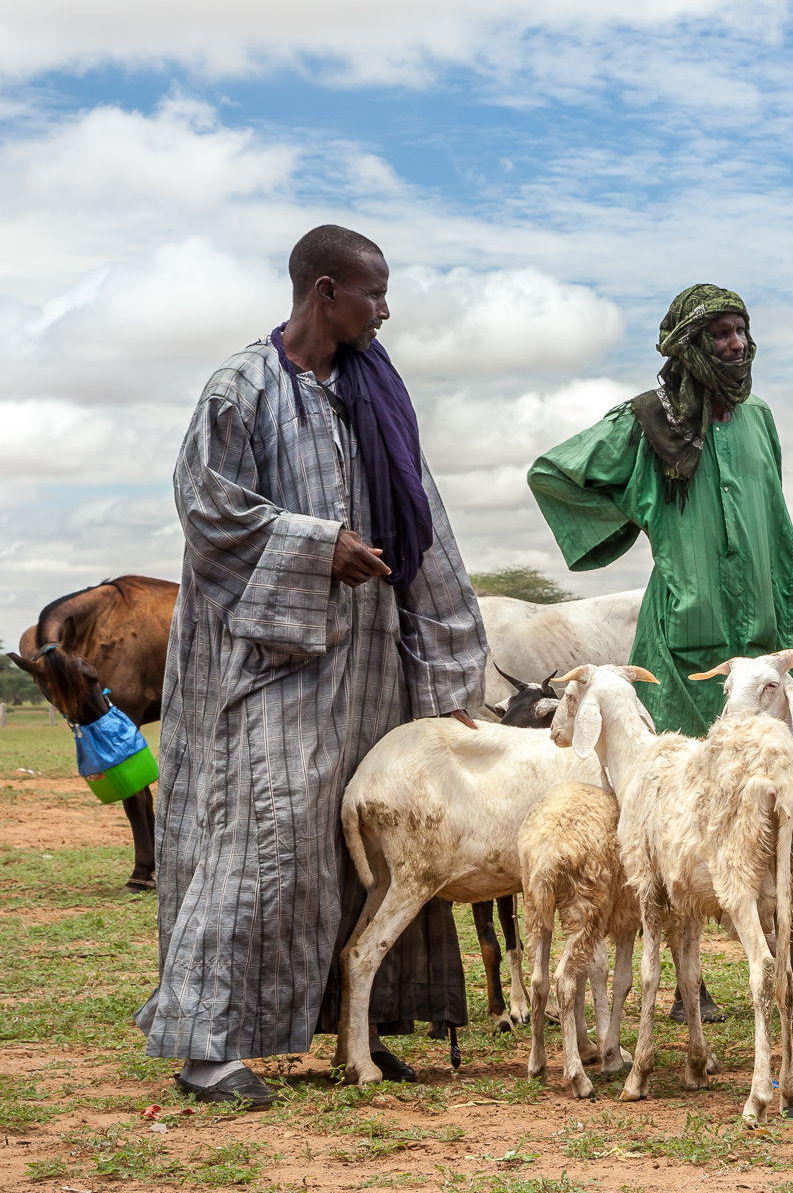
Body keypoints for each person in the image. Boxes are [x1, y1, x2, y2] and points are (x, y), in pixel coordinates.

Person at [139, 226, 486, 1108]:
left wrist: (449, 676)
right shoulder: (241, 389)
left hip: (371, 670)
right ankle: (208, 1046)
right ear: (323, 291)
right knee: (261, 844)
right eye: (374, 292)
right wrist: (314, 547)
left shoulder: (377, 394)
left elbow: (427, 534)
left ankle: (357, 1036)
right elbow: (207, 511)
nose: (386, 308)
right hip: (268, 668)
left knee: (369, 852)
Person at [528, 283, 793, 1022]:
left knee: (772, 801)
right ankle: (688, 978)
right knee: (667, 802)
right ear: (688, 345)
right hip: (681, 642)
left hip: (755, 653)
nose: (737, 346)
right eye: (720, 333)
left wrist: (790, 626)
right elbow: (553, 473)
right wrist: (629, 520)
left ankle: (788, 971)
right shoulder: (647, 424)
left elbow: (779, 528)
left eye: (744, 331)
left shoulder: (759, 423)